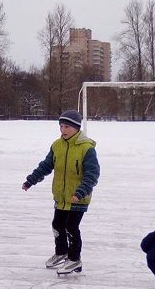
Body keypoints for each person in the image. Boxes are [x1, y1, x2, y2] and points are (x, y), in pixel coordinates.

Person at [22, 110, 100, 274]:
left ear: (77, 128)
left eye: (67, 127)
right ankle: (61, 252)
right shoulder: (57, 146)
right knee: (57, 225)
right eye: (61, 126)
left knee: (71, 227)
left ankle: (74, 259)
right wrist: (31, 180)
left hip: (78, 198)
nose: (63, 130)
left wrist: (80, 192)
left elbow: (92, 175)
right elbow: (46, 166)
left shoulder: (87, 149)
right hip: (61, 197)